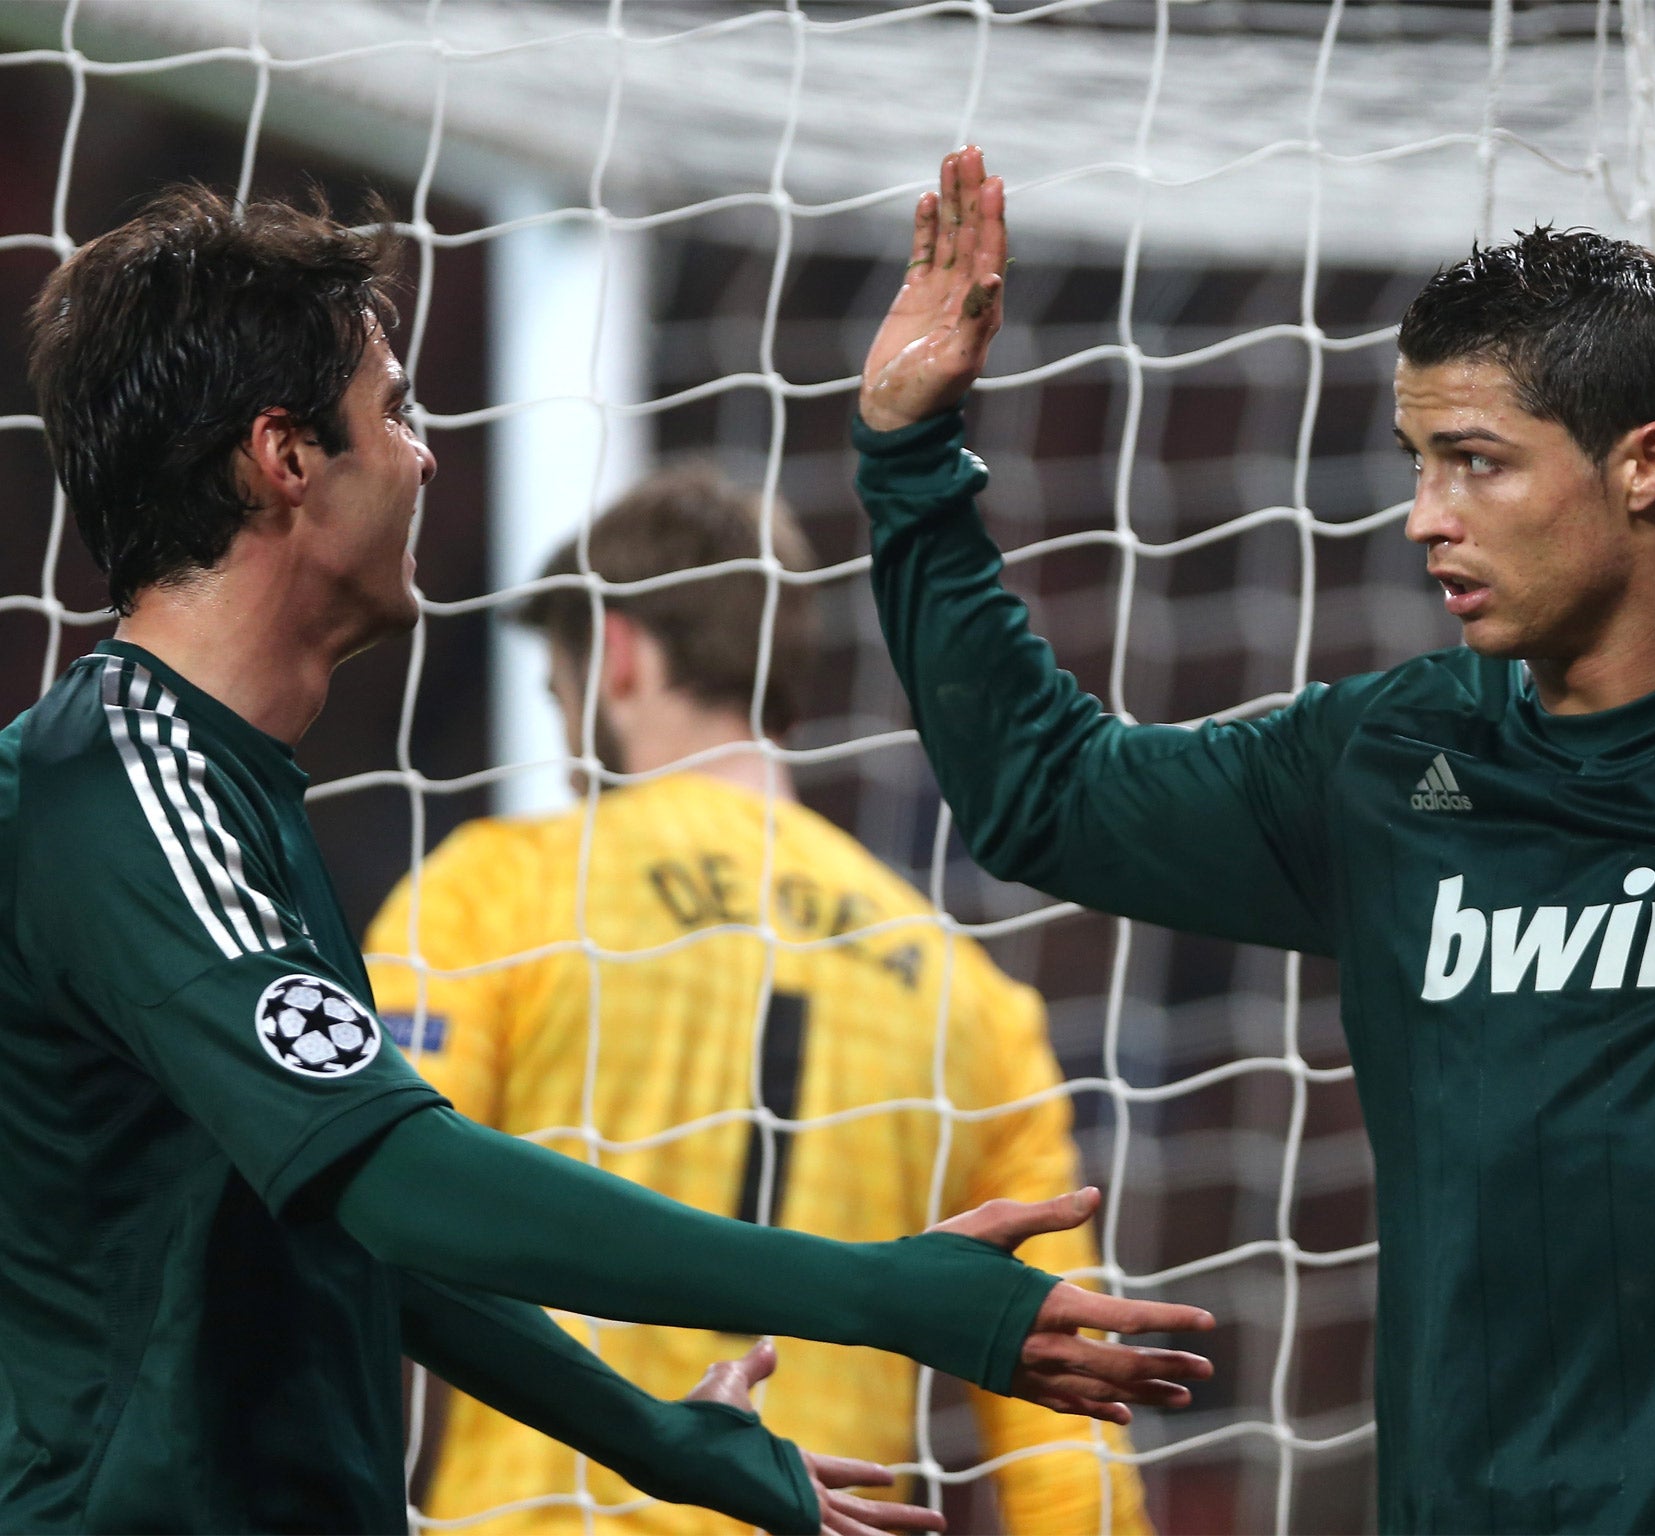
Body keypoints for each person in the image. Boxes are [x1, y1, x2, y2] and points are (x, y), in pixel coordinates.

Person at [851, 54, 1655, 1534]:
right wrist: (909, 457)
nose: (1426, 516)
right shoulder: (1388, 763)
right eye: (1422, 461)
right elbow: (1047, 797)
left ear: (1646, 466)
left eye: (1476, 463)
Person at [0, 184, 1215, 1536]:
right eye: (395, 410)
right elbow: (402, 1184)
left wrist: (666, 1443)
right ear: (284, 456)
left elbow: (361, 1216)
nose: (424, 457)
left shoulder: (316, 828)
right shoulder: (121, 789)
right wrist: (881, 1291)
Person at [365, 462, 1152, 1535]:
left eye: (560, 691)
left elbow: (371, 1220)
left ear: (619, 656)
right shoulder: (971, 998)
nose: (562, 733)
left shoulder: (496, 891)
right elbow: (1065, 1397)